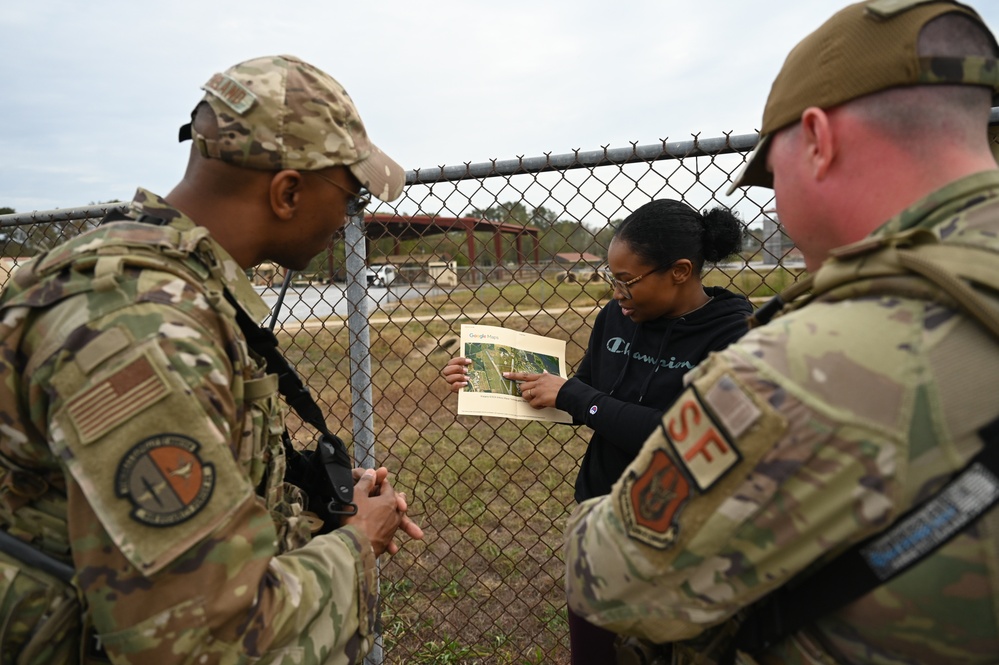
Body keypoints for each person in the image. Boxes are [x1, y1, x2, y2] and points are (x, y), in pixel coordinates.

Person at [564, 2, 999, 663]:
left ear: (818, 140)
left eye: (772, 172)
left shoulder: (803, 360)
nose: (774, 202)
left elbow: (613, 577)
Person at [0, 54, 423, 664]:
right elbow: (204, 641)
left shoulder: (163, 281)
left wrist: (314, 500)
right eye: (351, 193)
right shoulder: (146, 330)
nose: (351, 215)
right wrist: (359, 540)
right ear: (288, 192)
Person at [443, 199, 752, 664]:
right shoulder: (615, 319)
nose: (617, 293)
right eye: (612, 279)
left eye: (627, 281)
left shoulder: (734, 336)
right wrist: (486, 379)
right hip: (602, 522)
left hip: (684, 536)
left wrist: (576, 397)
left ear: (681, 271)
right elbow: (583, 399)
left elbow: (681, 435)